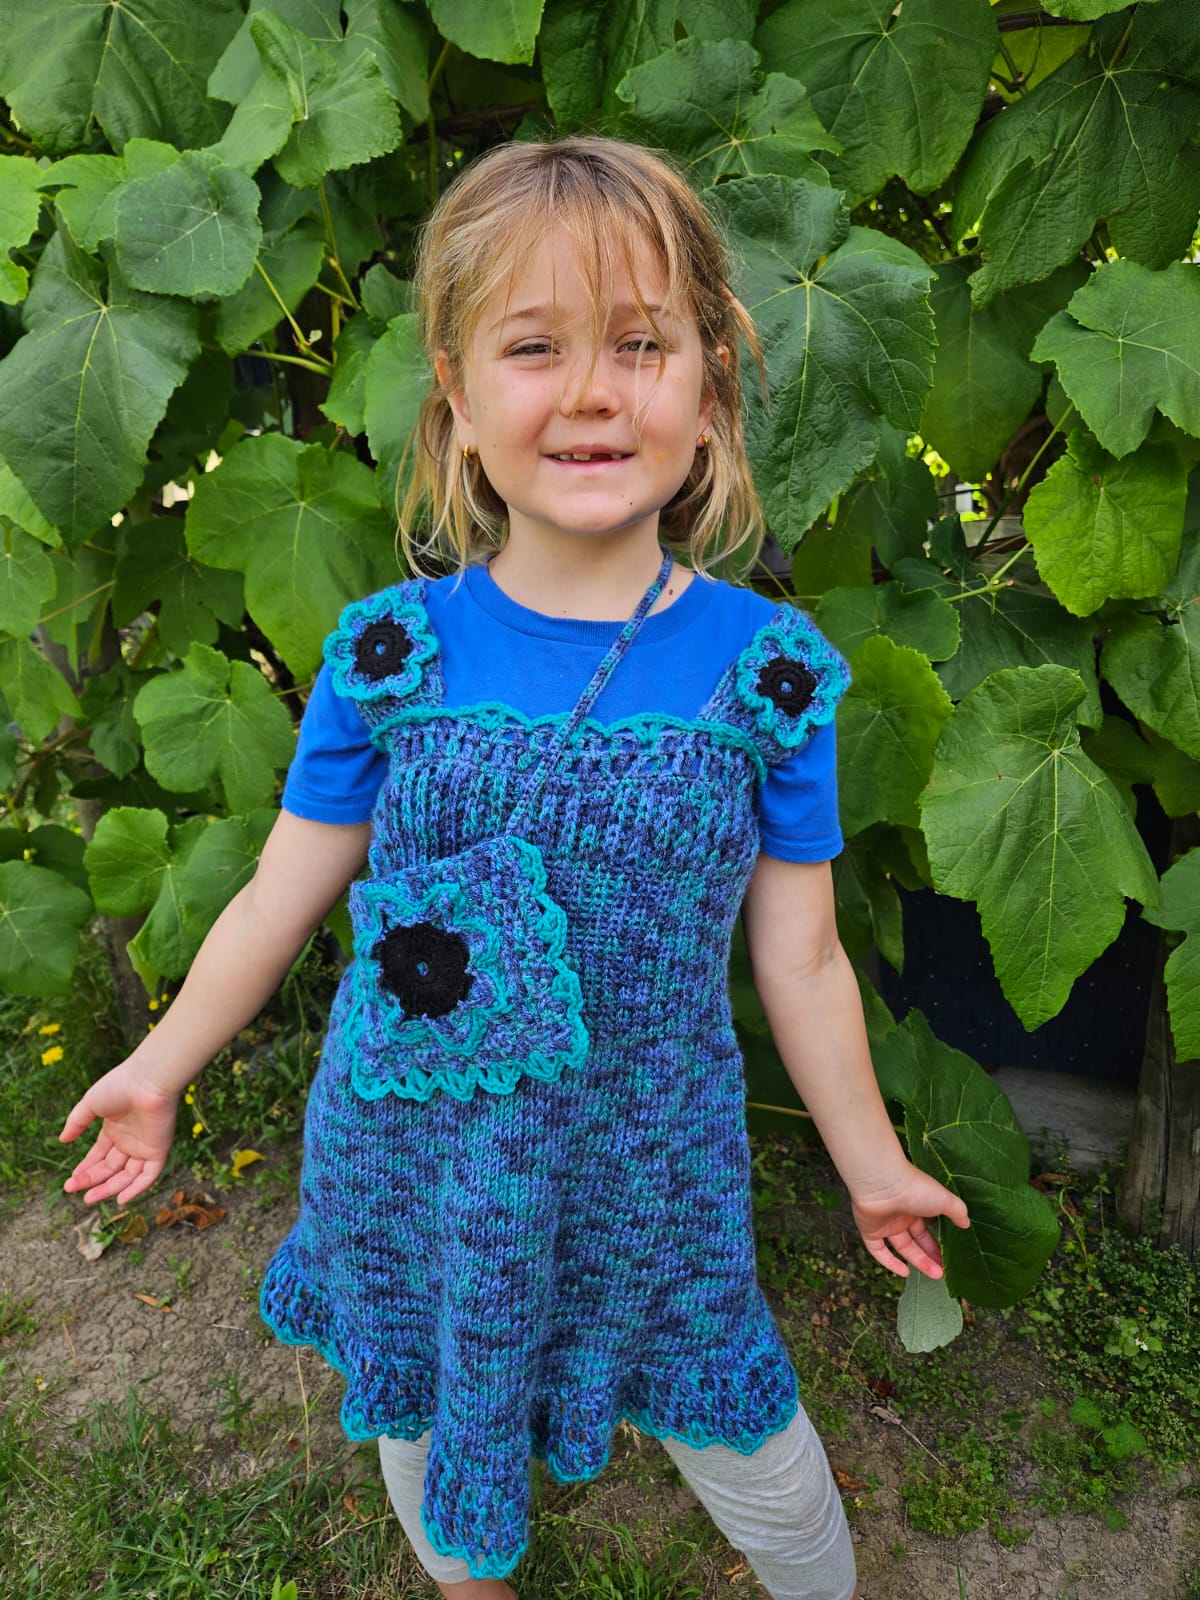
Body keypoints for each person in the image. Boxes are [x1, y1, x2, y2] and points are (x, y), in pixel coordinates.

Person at [59, 136, 969, 1600]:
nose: (593, 391)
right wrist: (161, 1068)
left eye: (642, 344)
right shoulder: (390, 655)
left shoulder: (768, 674)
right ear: (459, 398)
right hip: (420, 1151)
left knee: (753, 1444)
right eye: (535, 346)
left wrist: (870, 1166)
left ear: (710, 391)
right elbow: (281, 894)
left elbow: (799, 952)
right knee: (431, 1407)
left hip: (650, 1163)